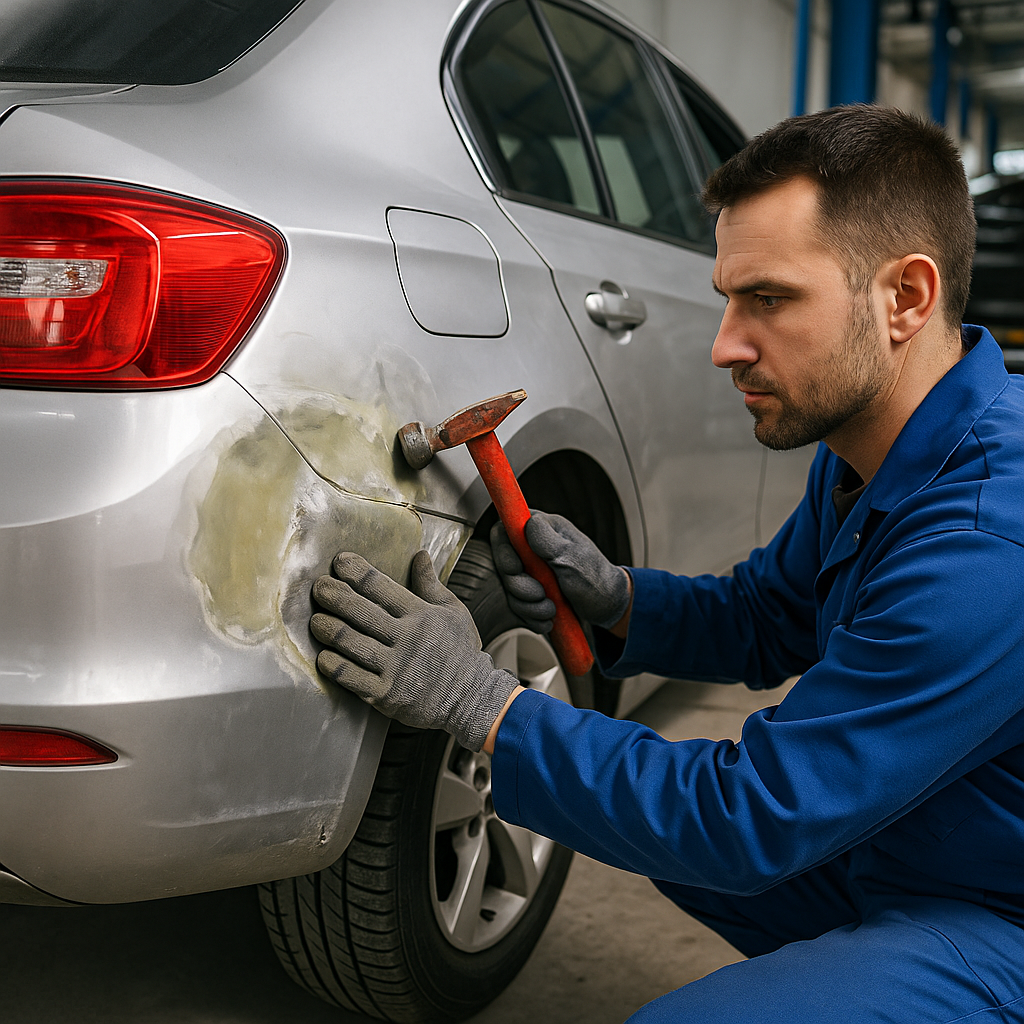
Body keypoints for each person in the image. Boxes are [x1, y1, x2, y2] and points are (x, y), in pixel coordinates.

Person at [308, 105, 1024, 1022]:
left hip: (998, 910)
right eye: (728, 298)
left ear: (905, 299)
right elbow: (768, 613)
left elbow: (750, 818)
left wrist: (481, 706)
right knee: (652, 830)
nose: (725, 343)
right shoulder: (872, 448)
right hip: (930, 840)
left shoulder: (990, 540)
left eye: (768, 299)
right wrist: (617, 602)